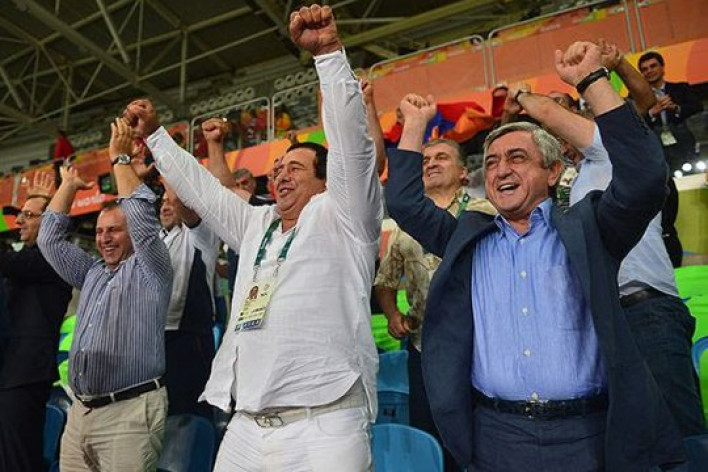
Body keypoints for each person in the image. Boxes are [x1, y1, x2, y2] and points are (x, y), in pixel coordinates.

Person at [385, 42, 683, 471]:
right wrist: (415, 125)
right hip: (496, 437)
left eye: (517, 158)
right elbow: (405, 203)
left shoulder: (590, 229)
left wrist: (593, 80)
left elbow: (644, 177)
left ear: (554, 170)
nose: (501, 170)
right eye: (491, 163)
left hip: (589, 436)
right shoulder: (467, 239)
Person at [125, 5, 381, 470]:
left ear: (325, 180)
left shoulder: (345, 216)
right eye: (277, 169)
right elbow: (202, 191)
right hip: (246, 425)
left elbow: (353, 148)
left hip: (324, 425)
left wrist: (327, 54)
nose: (280, 175)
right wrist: (158, 137)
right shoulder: (257, 224)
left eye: (295, 168)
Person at [504, 42, 703, 439]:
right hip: (597, 320)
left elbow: (637, 101)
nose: (555, 126)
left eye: (564, 116)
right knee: (625, 439)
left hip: (644, 310)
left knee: (680, 436)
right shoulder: (571, 182)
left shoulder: (612, 150)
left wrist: (521, 95)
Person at [37, 117, 172, 471]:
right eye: (99, 232)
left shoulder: (152, 267)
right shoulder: (92, 271)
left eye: (114, 230)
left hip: (129, 414)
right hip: (80, 412)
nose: (104, 238)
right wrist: (68, 186)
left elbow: (142, 219)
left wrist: (120, 159)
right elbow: (48, 239)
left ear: (132, 234)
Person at [374, 136, 494, 470]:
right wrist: (392, 314)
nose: (431, 163)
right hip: (423, 346)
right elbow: (385, 281)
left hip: (479, 346)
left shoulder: (486, 212)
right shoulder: (403, 227)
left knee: (480, 435)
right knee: (430, 433)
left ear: (463, 172)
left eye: (441, 157)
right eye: (425, 160)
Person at [0, 172, 72, 472]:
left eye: (29, 215)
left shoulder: (55, 257)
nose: (19, 221)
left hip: (26, 376)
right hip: (10, 372)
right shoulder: (25, 259)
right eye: (20, 215)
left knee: (18, 460)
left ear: (51, 222)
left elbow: (8, 262)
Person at [638, 50, 703, 268]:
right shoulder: (637, 98)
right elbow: (634, 124)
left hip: (685, 151)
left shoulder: (680, 89)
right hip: (657, 158)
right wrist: (652, 112)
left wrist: (675, 108)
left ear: (662, 67)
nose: (649, 71)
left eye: (653, 66)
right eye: (644, 69)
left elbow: (698, 108)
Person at [160, 185, 219, 419]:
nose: (165, 205)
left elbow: (182, 202)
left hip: (189, 339)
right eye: (162, 201)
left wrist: (166, 172)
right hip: (157, 340)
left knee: (192, 419)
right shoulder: (159, 238)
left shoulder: (201, 232)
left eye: (170, 200)